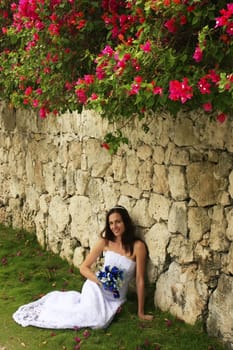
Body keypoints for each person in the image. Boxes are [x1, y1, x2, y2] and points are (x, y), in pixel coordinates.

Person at [13, 205, 153, 329]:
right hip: (95, 288)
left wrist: (140, 312)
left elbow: (140, 280)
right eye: (111, 223)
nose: (114, 226)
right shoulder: (105, 242)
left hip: (116, 297)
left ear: (125, 222)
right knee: (87, 316)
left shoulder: (138, 247)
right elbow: (83, 267)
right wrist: (98, 280)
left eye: (118, 222)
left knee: (100, 323)